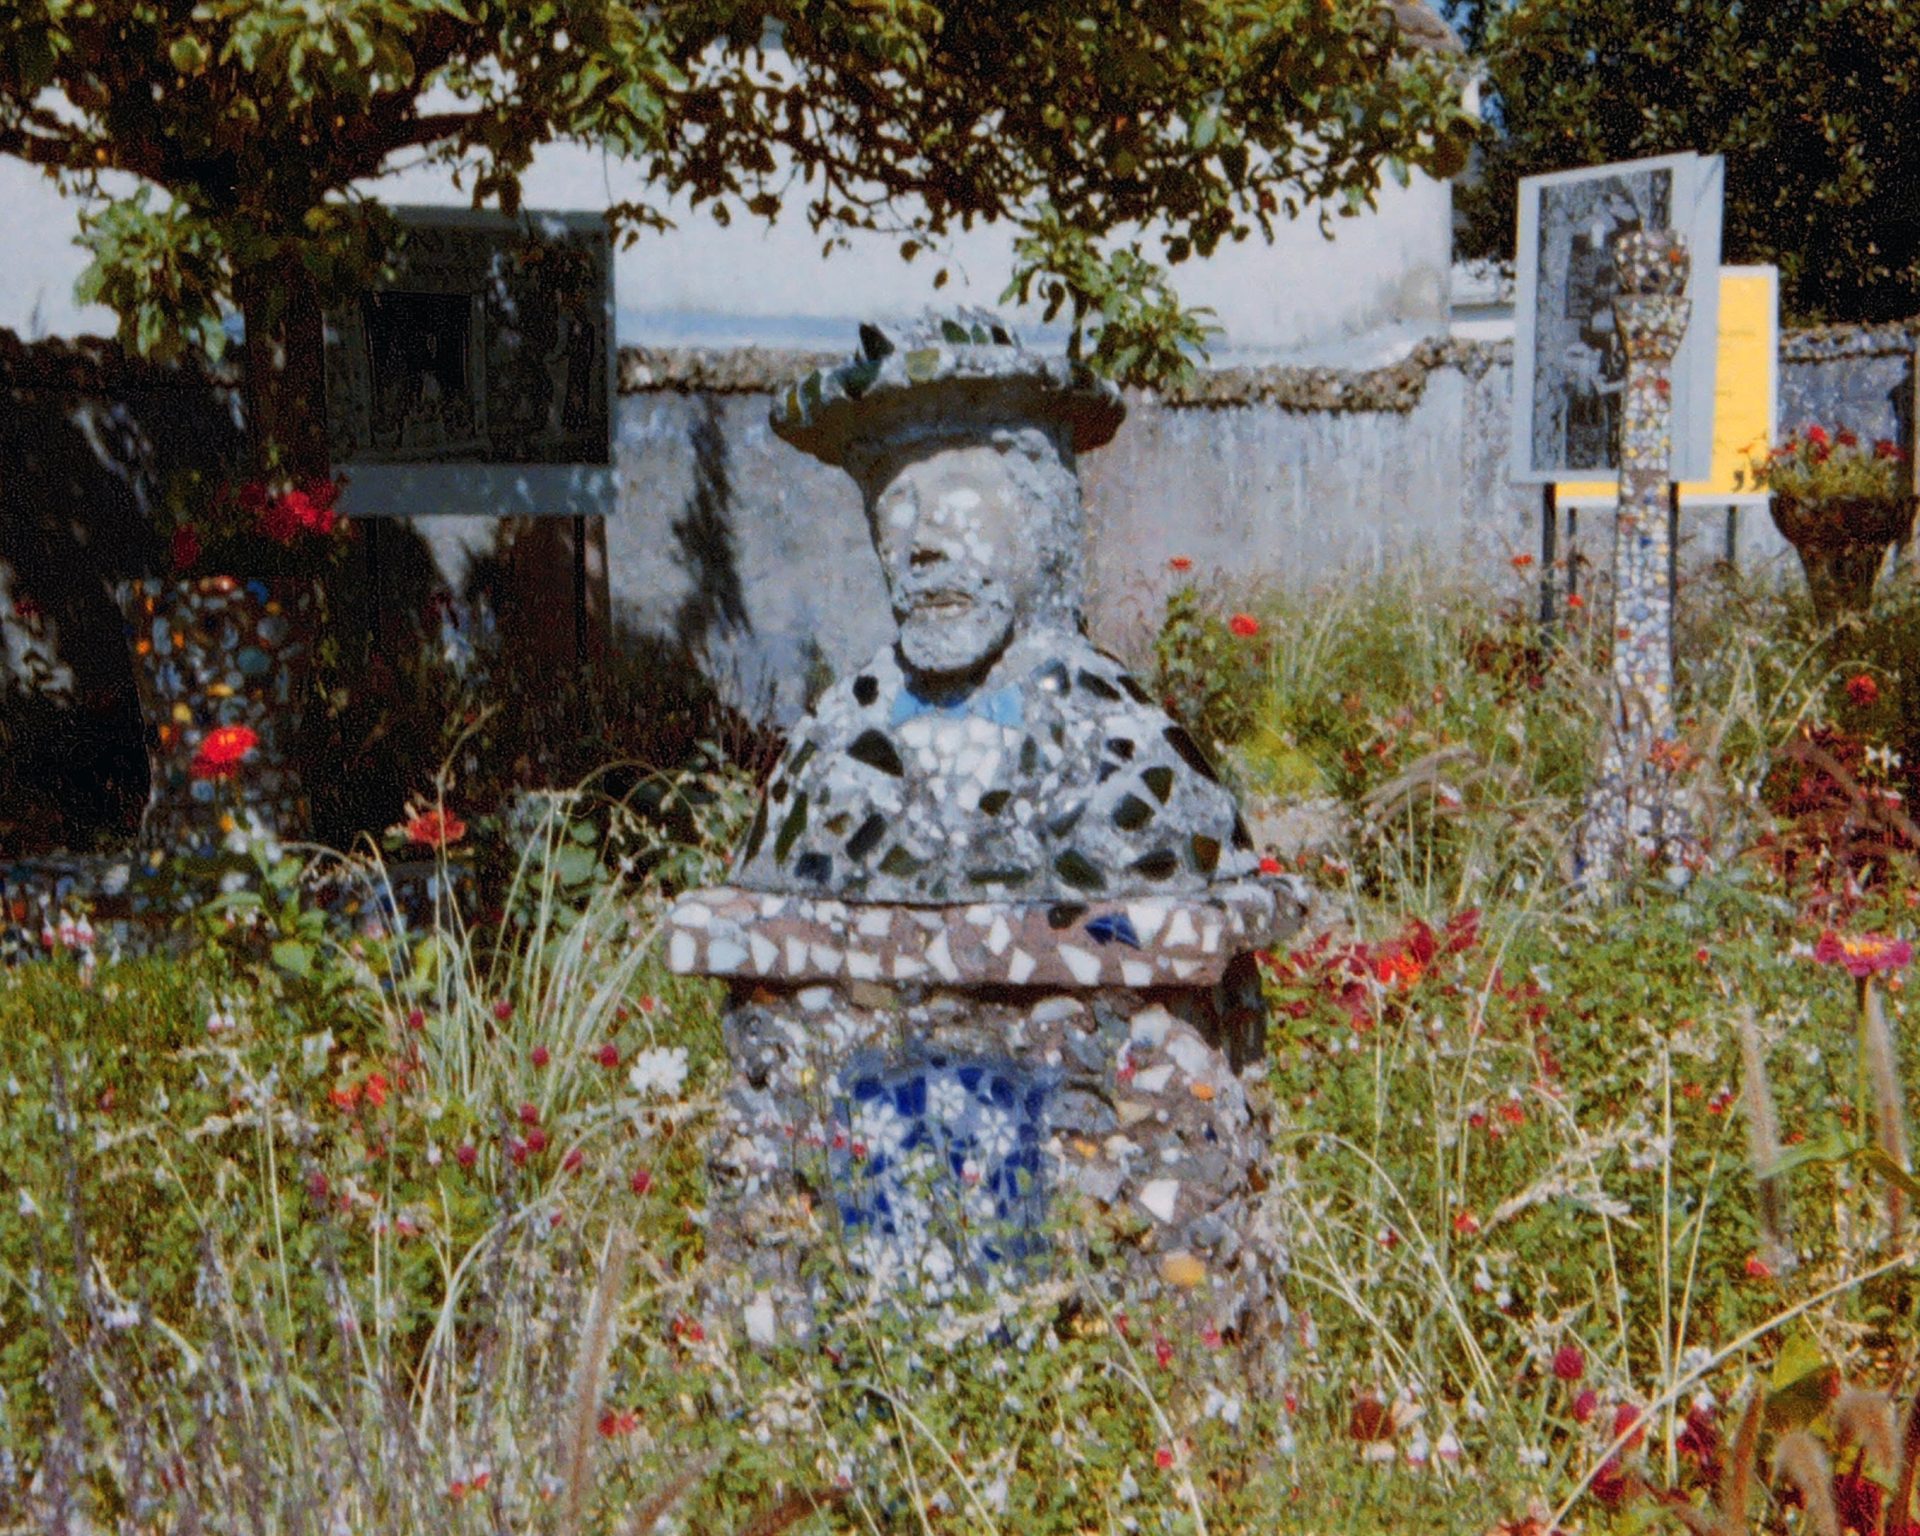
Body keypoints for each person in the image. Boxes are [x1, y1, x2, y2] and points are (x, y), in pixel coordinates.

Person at [734, 312, 1255, 902]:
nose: (923, 540)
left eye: (956, 489)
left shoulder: (1132, 767)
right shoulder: (828, 763)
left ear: (1040, 515)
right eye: (896, 499)